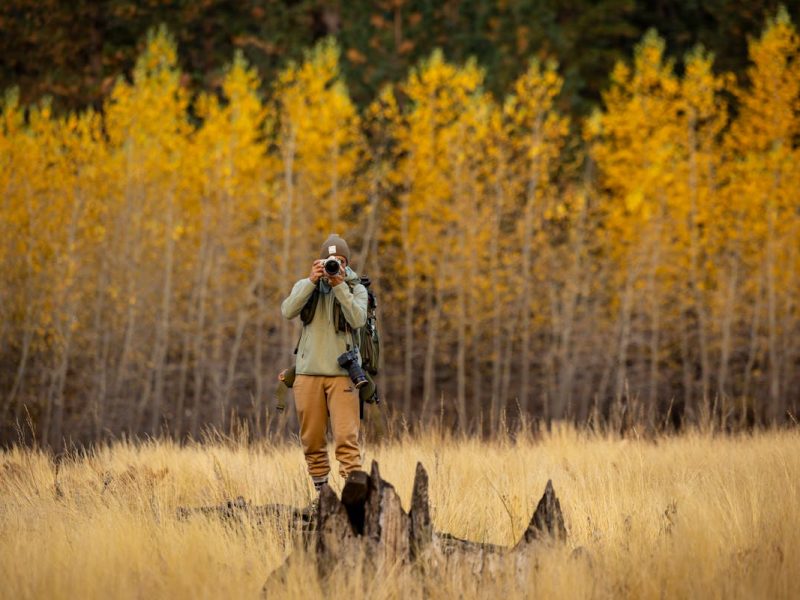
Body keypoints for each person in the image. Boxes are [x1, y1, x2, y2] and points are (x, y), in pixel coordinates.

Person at [280, 234, 369, 497]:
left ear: (347, 263)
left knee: (346, 439)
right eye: (330, 261)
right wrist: (311, 281)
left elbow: (358, 319)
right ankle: (323, 496)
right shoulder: (306, 285)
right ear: (320, 261)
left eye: (340, 261)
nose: (334, 266)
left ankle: (356, 497)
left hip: (343, 375)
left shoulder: (356, 289)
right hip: (308, 375)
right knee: (312, 439)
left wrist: (340, 285)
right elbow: (287, 310)